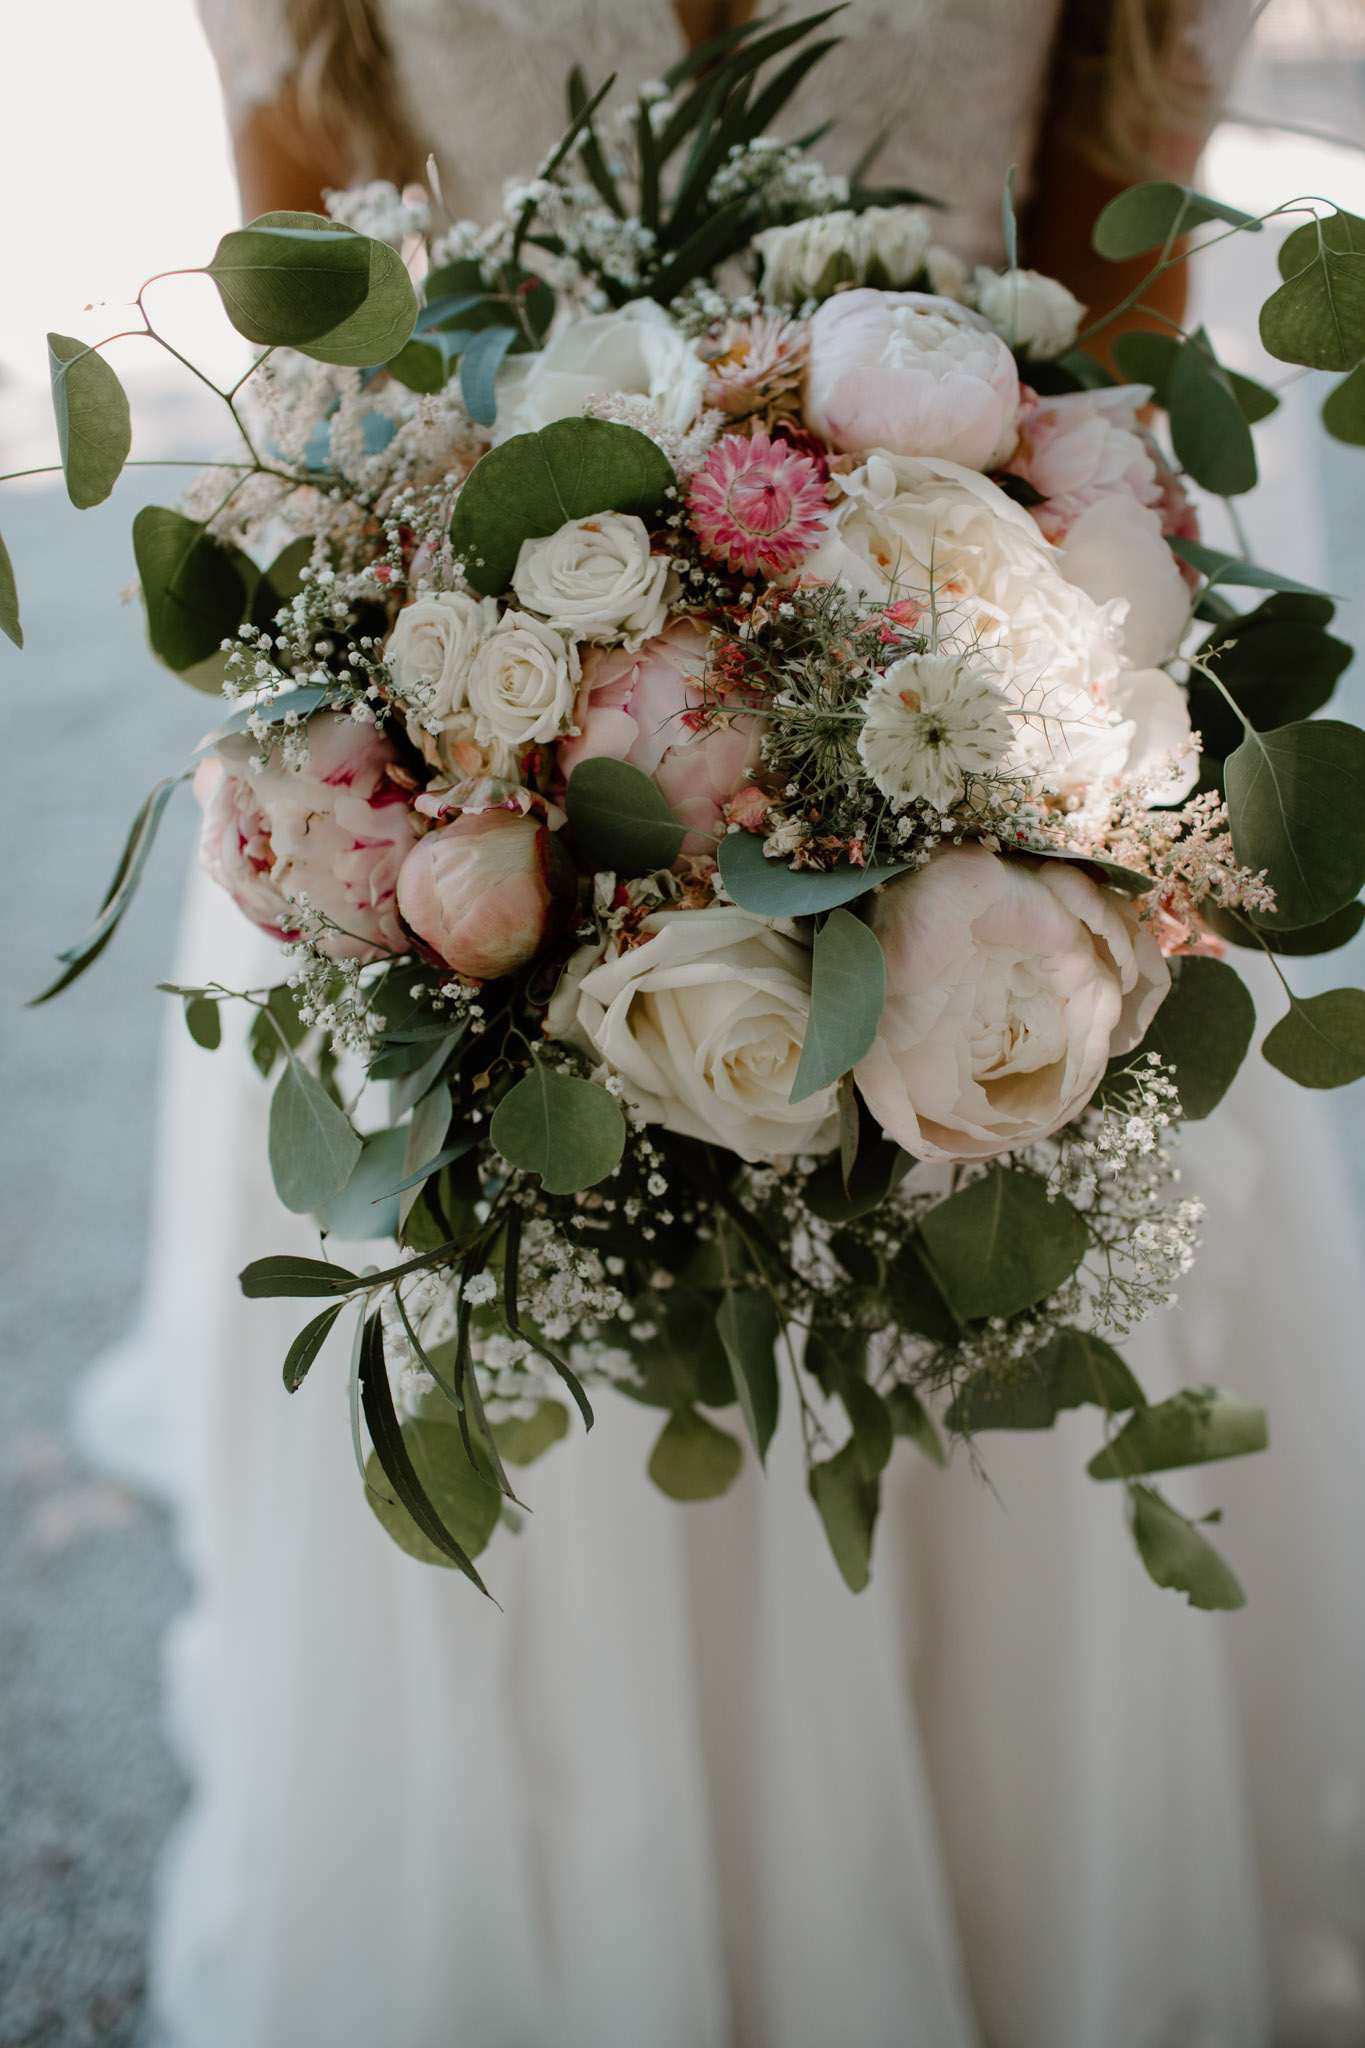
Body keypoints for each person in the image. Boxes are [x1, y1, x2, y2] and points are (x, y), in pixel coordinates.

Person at [78, 4, 1365, 2044]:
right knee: (541, 1498)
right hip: (458, 755)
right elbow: (325, 289)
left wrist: (1015, 764)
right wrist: (451, 704)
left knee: (986, 1409)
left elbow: (1111, 276)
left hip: (972, 730)